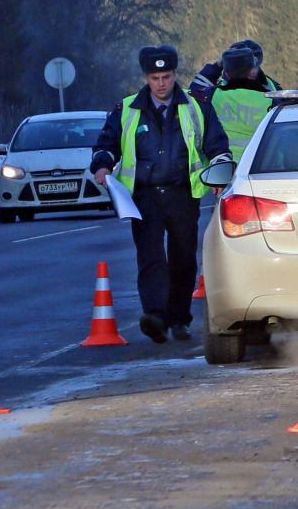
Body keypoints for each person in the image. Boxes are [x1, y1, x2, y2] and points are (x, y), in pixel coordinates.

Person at [90, 45, 231, 344]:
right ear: (145, 78)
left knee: (182, 258)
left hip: (183, 194)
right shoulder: (126, 109)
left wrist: (220, 173)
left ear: (175, 75)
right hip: (144, 197)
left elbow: (217, 144)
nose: (161, 83)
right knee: (151, 257)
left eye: (166, 76)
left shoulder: (196, 106)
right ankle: (155, 316)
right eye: (155, 78)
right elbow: (106, 143)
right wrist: (102, 165)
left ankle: (179, 319)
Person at [191, 42, 281, 157]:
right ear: (252, 72)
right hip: (256, 167)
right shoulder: (271, 100)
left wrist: (218, 65)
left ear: (227, 74)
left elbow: (194, 88)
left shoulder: (213, 96)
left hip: (221, 167)